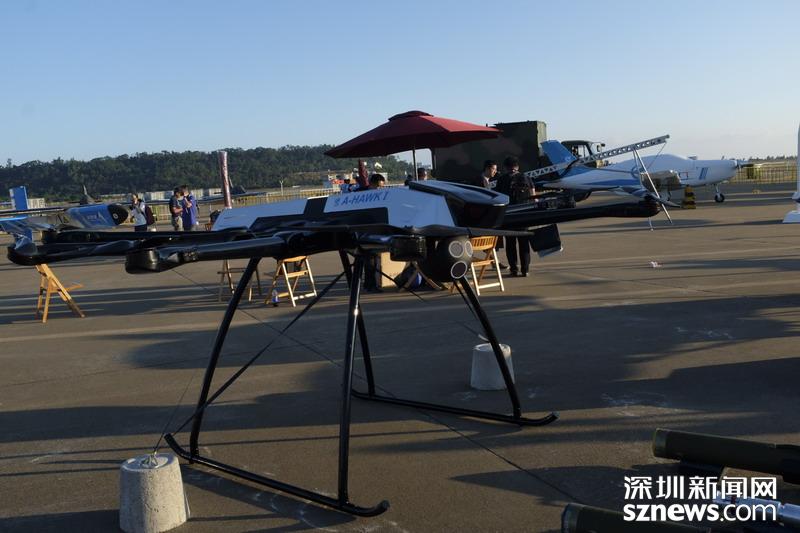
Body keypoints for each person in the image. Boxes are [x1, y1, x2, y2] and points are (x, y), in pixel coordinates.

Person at [495, 156, 534, 277]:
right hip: (524, 215)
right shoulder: (526, 178)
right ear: (517, 166)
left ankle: (513, 268)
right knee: (524, 243)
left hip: (509, 216)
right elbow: (533, 196)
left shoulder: (502, 179)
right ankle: (525, 269)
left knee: (510, 244)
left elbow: (498, 197)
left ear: (506, 167)